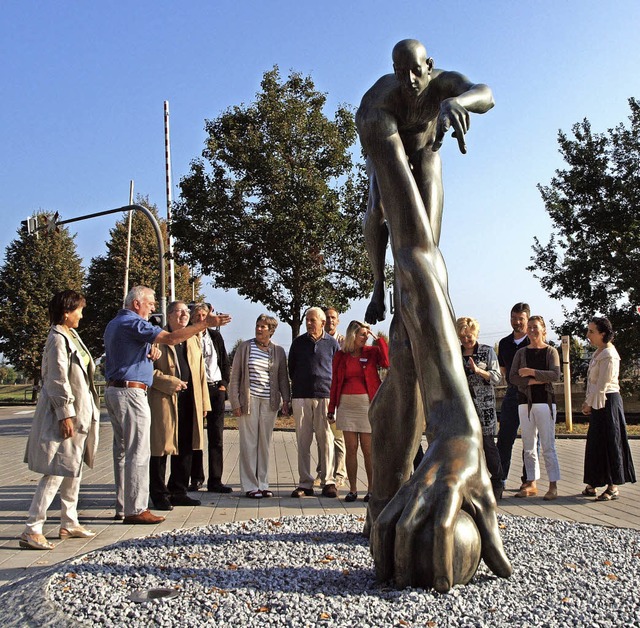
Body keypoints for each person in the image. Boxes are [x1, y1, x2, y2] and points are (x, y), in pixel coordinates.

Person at [356, 38, 511, 591]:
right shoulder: (376, 109)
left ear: (429, 67)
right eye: (401, 74)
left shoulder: (443, 84)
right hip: (391, 157)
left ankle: (386, 501)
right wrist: (378, 287)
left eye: (416, 73)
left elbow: (486, 92)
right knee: (392, 229)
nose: (410, 83)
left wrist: (458, 106)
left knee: (423, 281)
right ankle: (382, 289)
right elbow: (404, 241)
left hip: (428, 154)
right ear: (393, 72)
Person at [103, 285, 230, 524]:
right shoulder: (133, 323)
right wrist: (204, 324)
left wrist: (147, 352)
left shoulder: (115, 324)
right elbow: (170, 339)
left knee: (122, 453)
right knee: (138, 453)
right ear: (137, 303)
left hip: (119, 390)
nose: (153, 308)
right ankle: (137, 509)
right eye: (150, 303)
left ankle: (124, 506)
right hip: (132, 393)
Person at [21, 290, 100, 550]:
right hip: (66, 415)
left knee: (72, 468)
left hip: (81, 413)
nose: (82, 313)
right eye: (79, 309)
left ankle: (69, 521)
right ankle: (33, 528)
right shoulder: (57, 338)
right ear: (66, 312)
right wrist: (65, 414)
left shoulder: (72, 335)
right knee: (55, 470)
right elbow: (57, 379)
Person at [148, 301, 211, 510]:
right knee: (161, 447)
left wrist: (204, 402)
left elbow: (201, 373)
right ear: (169, 315)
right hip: (165, 400)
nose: (185, 315)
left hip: (190, 400)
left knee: (186, 446)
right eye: (179, 311)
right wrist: (169, 382)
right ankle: (158, 493)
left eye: (187, 311)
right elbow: (147, 370)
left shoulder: (192, 339)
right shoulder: (157, 338)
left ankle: (178, 489)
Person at [229, 314, 290, 498]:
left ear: (271, 330)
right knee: (248, 442)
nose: (259, 329)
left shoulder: (278, 351)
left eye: (263, 326)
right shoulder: (245, 347)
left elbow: (282, 377)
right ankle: (249, 485)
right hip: (250, 399)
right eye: (257, 325)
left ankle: (263, 483)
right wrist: (235, 401)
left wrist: (285, 400)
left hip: (269, 402)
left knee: (264, 442)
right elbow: (235, 376)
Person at [328, 320, 389, 502]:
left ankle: (371, 489)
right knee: (351, 448)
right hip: (346, 405)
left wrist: (379, 341)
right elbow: (335, 383)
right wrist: (331, 408)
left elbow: (387, 362)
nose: (365, 338)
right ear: (352, 335)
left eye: (366, 334)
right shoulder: (341, 355)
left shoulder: (371, 352)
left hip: (366, 404)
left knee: (368, 449)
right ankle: (353, 489)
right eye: (362, 334)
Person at [582, 317, 636, 501]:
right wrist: (588, 401)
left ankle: (612, 486)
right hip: (598, 401)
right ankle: (594, 481)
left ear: (602, 334)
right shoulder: (598, 352)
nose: (588, 335)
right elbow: (592, 382)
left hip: (608, 401)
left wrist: (590, 403)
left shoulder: (609, 354)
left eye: (591, 331)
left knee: (610, 441)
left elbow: (603, 384)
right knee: (596, 442)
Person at [288, 307, 339, 498]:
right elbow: (291, 368)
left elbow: (338, 369)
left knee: (326, 439)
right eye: (307, 320)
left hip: (325, 396)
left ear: (323, 323)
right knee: (303, 440)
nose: (309, 323)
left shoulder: (332, 344)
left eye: (312, 320)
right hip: (301, 396)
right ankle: (305, 483)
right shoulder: (298, 343)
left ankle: (328, 481)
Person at [509, 316, 561, 501]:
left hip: (545, 403)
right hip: (525, 403)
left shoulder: (551, 352)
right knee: (528, 446)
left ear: (543, 330)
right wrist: (534, 381)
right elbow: (513, 377)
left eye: (535, 327)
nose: (531, 330)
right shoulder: (521, 353)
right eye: (529, 327)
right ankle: (531, 482)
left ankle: (553, 485)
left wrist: (530, 372)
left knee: (548, 445)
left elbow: (555, 375)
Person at [456, 317, 504, 500]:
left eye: (469, 337)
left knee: (488, 444)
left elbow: (496, 377)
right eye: (463, 337)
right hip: (462, 406)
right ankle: (470, 482)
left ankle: (497, 480)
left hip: (484, 406)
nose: (466, 340)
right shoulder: (455, 352)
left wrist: (478, 371)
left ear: (476, 334)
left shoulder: (487, 351)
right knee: (464, 445)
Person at [189, 303, 232, 494]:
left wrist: (223, 384)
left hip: (216, 389)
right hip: (197, 390)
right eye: (197, 315)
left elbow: (224, 361)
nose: (201, 318)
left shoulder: (215, 336)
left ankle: (216, 480)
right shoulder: (187, 336)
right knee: (195, 435)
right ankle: (196, 478)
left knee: (216, 436)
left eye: (204, 315)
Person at [496, 302, 531, 490]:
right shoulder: (504, 343)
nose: (516, 322)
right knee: (504, 438)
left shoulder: (534, 342)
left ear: (527, 319)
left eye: (520, 319)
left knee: (530, 439)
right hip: (512, 393)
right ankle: (500, 479)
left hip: (531, 395)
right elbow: (503, 370)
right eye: (513, 318)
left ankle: (528, 479)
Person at [321, 307, 347, 487]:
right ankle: (323, 471)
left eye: (333, 317)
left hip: (337, 395)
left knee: (338, 437)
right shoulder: (318, 340)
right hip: (321, 393)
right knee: (322, 436)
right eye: (327, 317)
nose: (330, 321)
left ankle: (340, 473)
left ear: (338, 321)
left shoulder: (344, 343)